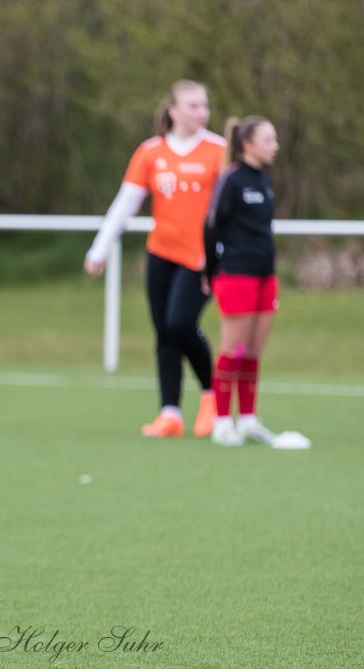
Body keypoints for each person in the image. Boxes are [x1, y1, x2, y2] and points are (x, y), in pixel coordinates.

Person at [85, 80, 227, 438]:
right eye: (193, 105)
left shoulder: (218, 151)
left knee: (181, 323)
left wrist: (221, 253)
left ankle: (212, 398)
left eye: (204, 106)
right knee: (164, 332)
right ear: (173, 110)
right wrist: (99, 250)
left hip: (201, 259)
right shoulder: (151, 152)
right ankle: (170, 413)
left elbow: (230, 210)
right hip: (161, 253)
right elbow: (126, 203)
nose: (201, 112)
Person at [204, 116, 293, 447]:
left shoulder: (264, 180)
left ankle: (249, 420)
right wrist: (210, 270)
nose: (276, 146)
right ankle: (223, 422)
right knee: (234, 350)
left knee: (253, 351)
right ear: (248, 144)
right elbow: (211, 225)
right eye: (269, 140)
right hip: (236, 274)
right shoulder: (232, 179)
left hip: (265, 277)